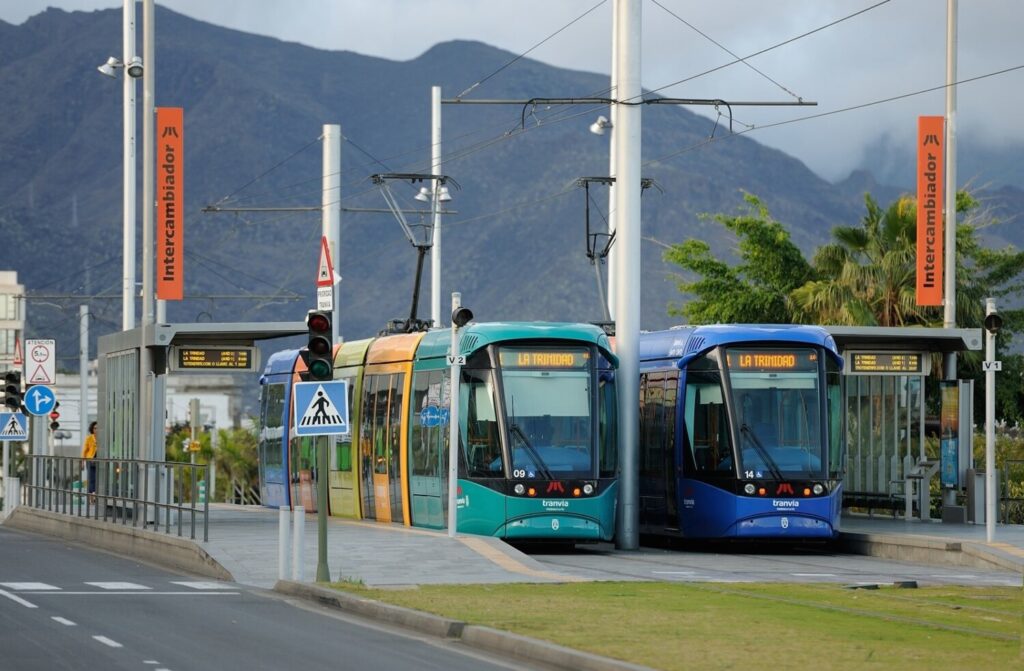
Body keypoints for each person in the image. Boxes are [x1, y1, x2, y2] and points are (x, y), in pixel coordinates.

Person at [81, 421, 98, 494]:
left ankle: (95, 493)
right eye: (95, 428)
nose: (96, 430)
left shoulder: (103, 438)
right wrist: (82, 462)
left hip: (100, 460)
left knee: (99, 478)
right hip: (90, 460)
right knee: (92, 478)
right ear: (92, 429)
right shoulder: (89, 438)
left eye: (98, 428)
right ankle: (92, 493)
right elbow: (84, 450)